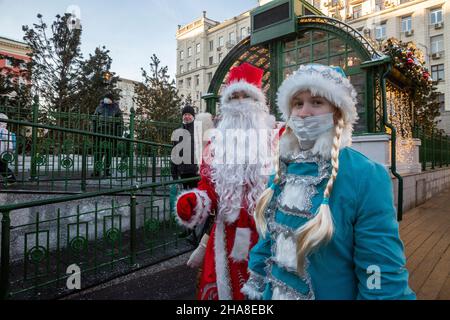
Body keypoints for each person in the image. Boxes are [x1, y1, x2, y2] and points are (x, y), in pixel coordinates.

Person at [242, 63, 416, 300]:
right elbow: (268, 242)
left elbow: (380, 269)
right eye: (297, 103)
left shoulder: (365, 175)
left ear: (337, 111)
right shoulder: (281, 170)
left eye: (316, 102)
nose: (303, 112)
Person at [175, 62, 276, 300]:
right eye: (234, 97)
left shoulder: (278, 138)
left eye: (247, 97)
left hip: (269, 238)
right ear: (226, 105)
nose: (240, 103)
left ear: (259, 103)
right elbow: (207, 189)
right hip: (225, 239)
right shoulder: (215, 145)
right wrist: (193, 201)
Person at [92, 92, 123, 177]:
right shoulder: (99, 107)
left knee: (109, 153)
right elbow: (94, 120)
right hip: (99, 133)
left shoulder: (116, 109)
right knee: (98, 153)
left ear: (112, 100)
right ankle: (97, 171)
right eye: (106, 98)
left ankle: (106, 170)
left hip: (111, 134)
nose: (106, 99)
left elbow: (120, 123)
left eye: (108, 98)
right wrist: (93, 132)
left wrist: (118, 135)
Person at [171, 105, 199, 189]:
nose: (187, 117)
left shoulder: (198, 131)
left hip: (195, 172)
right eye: (185, 114)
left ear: (193, 116)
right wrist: (174, 174)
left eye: (189, 115)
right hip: (182, 172)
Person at [0, 113, 17, 184]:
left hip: (2, 153)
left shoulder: (4, 131)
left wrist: (9, 151)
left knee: (3, 167)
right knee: (2, 167)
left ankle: (11, 180)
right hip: (2, 152)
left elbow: (8, 142)